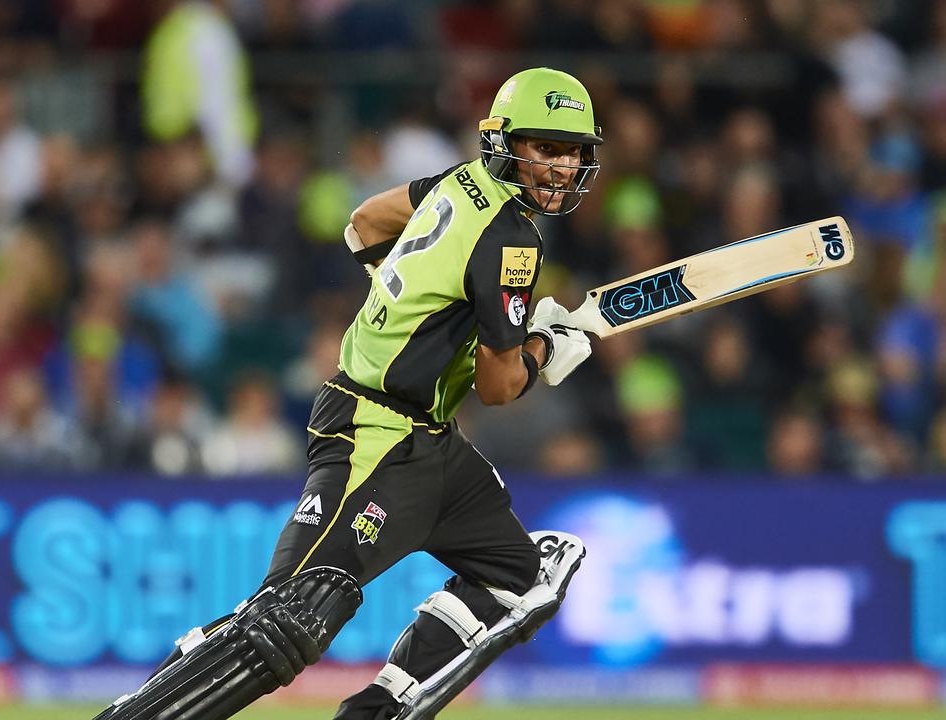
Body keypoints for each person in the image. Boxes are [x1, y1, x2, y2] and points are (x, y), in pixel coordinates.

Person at [93, 67, 602, 720]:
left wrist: (422, 309)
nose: (560, 167)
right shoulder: (513, 236)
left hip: (433, 445)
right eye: (545, 148)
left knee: (519, 580)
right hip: (376, 433)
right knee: (291, 615)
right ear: (506, 143)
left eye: (570, 151)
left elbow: (364, 224)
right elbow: (500, 386)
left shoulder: (458, 184)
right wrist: (546, 349)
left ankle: (374, 713)